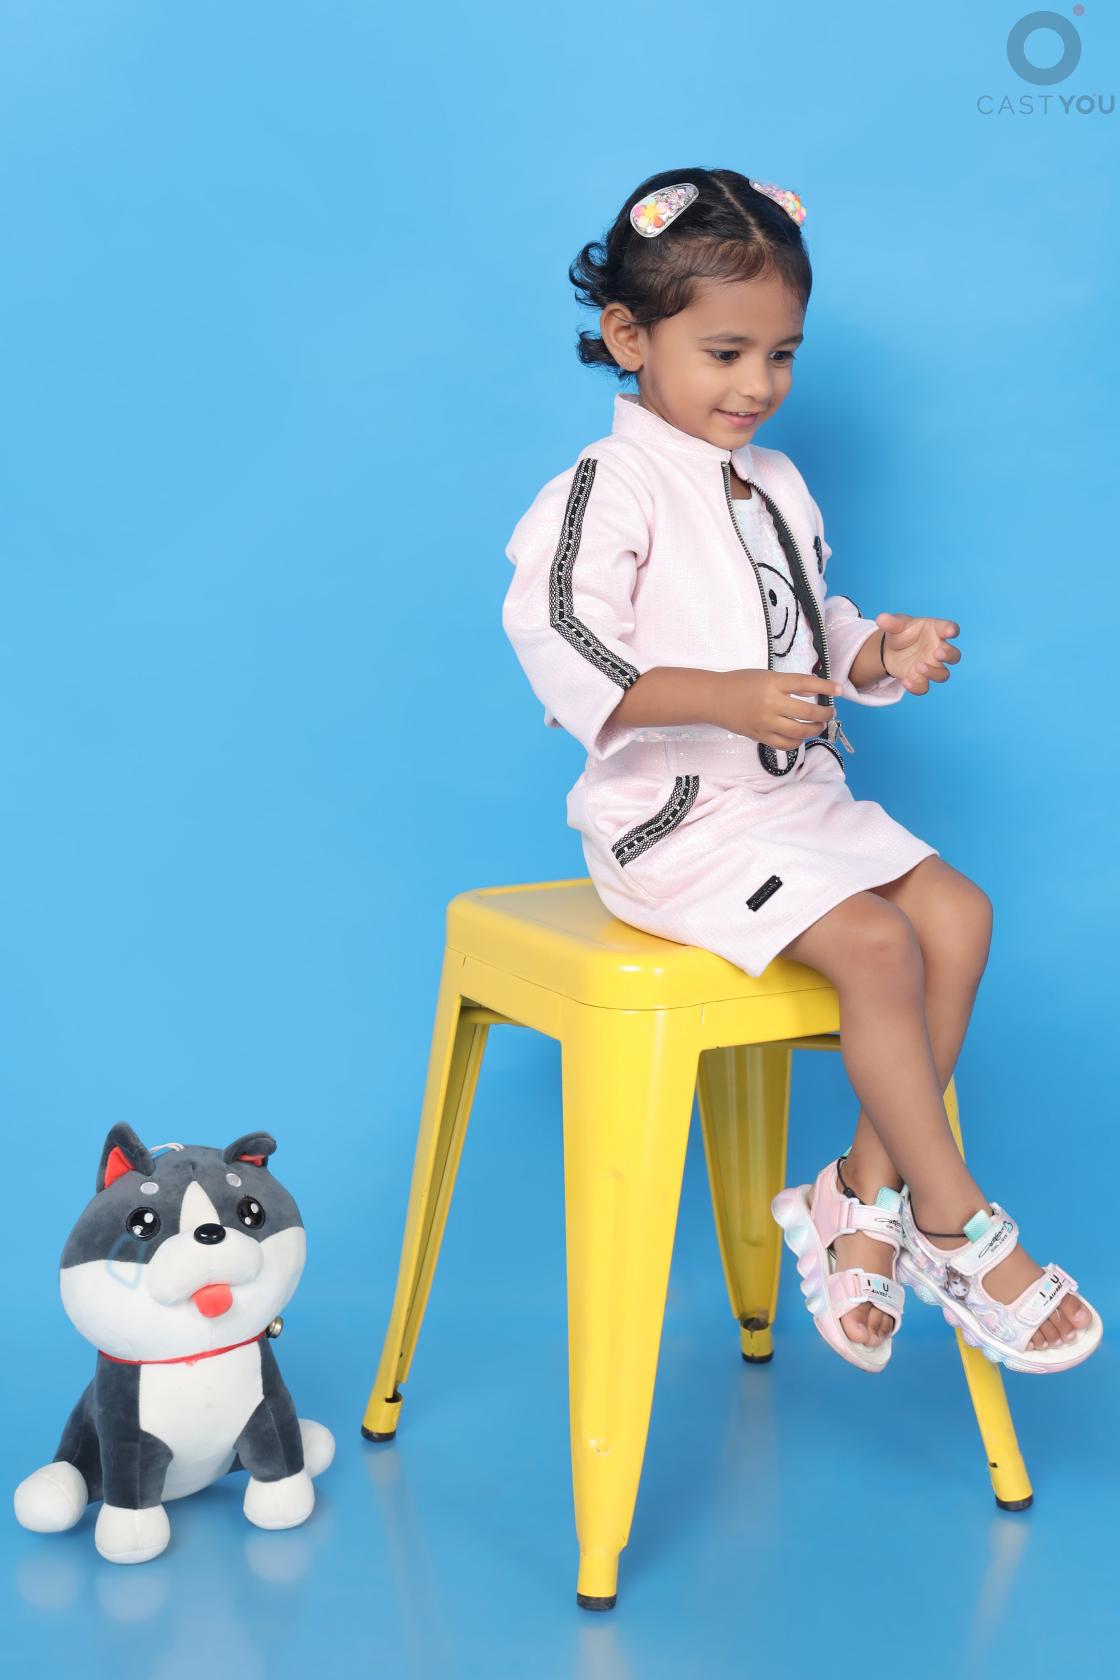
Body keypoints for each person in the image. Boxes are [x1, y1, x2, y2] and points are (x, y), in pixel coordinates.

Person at [500, 167, 1101, 1376]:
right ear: (630, 336)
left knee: (957, 914)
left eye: (780, 355)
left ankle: (856, 1199)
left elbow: (801, 624)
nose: (756, 385)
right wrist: (720, 697)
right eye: (724, 353)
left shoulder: (774, 481)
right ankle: (953, 1222)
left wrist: (875, 651)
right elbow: (561, 636)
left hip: (791, 804)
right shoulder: (602, 490)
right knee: (877, 946)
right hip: (675, 824)